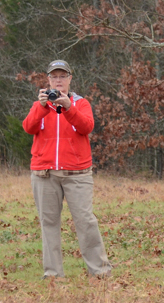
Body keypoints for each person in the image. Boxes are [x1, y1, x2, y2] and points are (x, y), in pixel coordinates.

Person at [23, 59, 111, 279]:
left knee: (86, 221)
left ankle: (100, 272)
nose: (58, 81)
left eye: (63, 76)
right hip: (44, 174)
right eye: (54, 77)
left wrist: (69, 108)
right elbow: (28, 127)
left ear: (70, 79)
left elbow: (87, 127)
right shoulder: (40, 104)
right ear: (48, 80)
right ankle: (53, 275)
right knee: (49, 223)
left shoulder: (81, 103)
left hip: (77, 174)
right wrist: (42, 107)